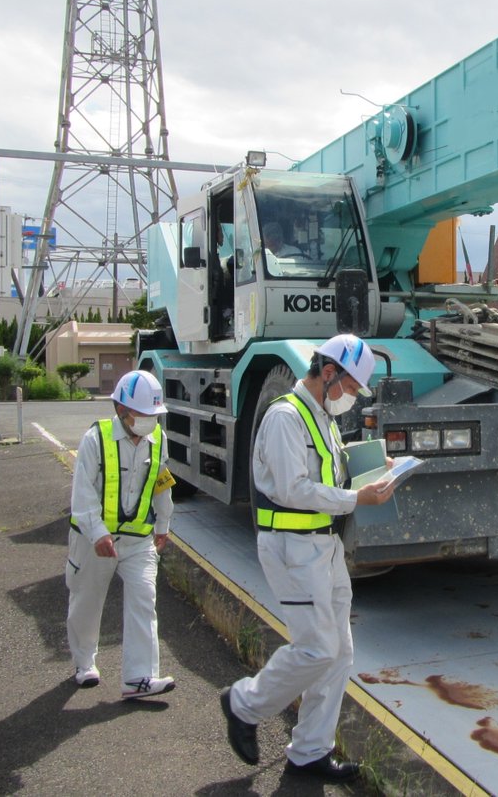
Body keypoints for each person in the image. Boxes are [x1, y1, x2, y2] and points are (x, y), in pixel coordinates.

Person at [220, 333, 395, 782]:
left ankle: (309, 752)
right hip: (293, 550)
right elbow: (294, 489)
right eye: (352, 388)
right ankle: (242, 704)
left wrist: (375, 466)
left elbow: (328, 469)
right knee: (316, 648)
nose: (351, 399)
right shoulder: (285, 417)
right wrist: (358, 498)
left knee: (339, 653)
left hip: (324, 547)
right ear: (330, 372)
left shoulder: (321, 417)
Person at [66, 369, 178, 700]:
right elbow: (82, 493)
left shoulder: (158, 440)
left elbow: (162, 484)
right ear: (121, 410)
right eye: (145, 414)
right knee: (86, 602)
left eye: (155, 415)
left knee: (144, 600)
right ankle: (84, 663)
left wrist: (163, 525)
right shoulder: (95, 440)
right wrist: (97, 532)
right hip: (93, 540)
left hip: (138, 540)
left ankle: (139, 678)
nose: (151, 421)